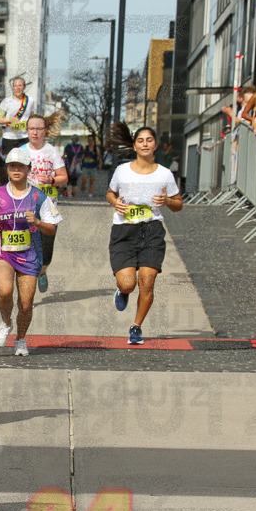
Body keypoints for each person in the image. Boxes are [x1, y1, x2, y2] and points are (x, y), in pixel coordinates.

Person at [106, 124, 183, 345]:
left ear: (155, 145)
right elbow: (110, 193)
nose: (145, 144)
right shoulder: (122, 170)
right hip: (124, 231)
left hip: (152, 230)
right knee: (128, 284)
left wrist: (167, 201)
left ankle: (136, 327)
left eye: (149, 140)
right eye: (141, 140)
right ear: (134, 146)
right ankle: (122, 291)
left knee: (147, 282)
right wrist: (115, 202)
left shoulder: (164, 174)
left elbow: (178, 204)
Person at [0, 147, 63, 356]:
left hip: (30, 254)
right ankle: (5, 323)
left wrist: (37, 221)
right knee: (5, 291)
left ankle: (20, 338)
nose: (16, 170)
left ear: (29, 169)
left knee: (26, 304)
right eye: (12, 166)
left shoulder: (39, 196)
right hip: (3, 251)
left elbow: (52, 229)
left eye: (21, 166)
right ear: (7, 169)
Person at [19, 113, 67, 293]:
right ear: (27, 130)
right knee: (26, 252)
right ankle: (27, 293)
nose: (35, 132)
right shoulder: (21, 151)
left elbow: (64, 177)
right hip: (26, 207)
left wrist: (51, 180)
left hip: (48, 209)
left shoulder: (52, 151)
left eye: (39, 129)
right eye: (32, 128)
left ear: (45, 130)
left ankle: (42, 271)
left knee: (46, 255)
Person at [0, 76, 34, 156]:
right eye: (15, 86)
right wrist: (10, 120)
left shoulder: (30, 101)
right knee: (10, 162)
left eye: (20, 85)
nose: (17, 88)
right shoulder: (6, 101)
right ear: (13, 88)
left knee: (24, 161)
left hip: (24, 137)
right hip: (9, 137)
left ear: (24, 87)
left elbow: (32, 118)